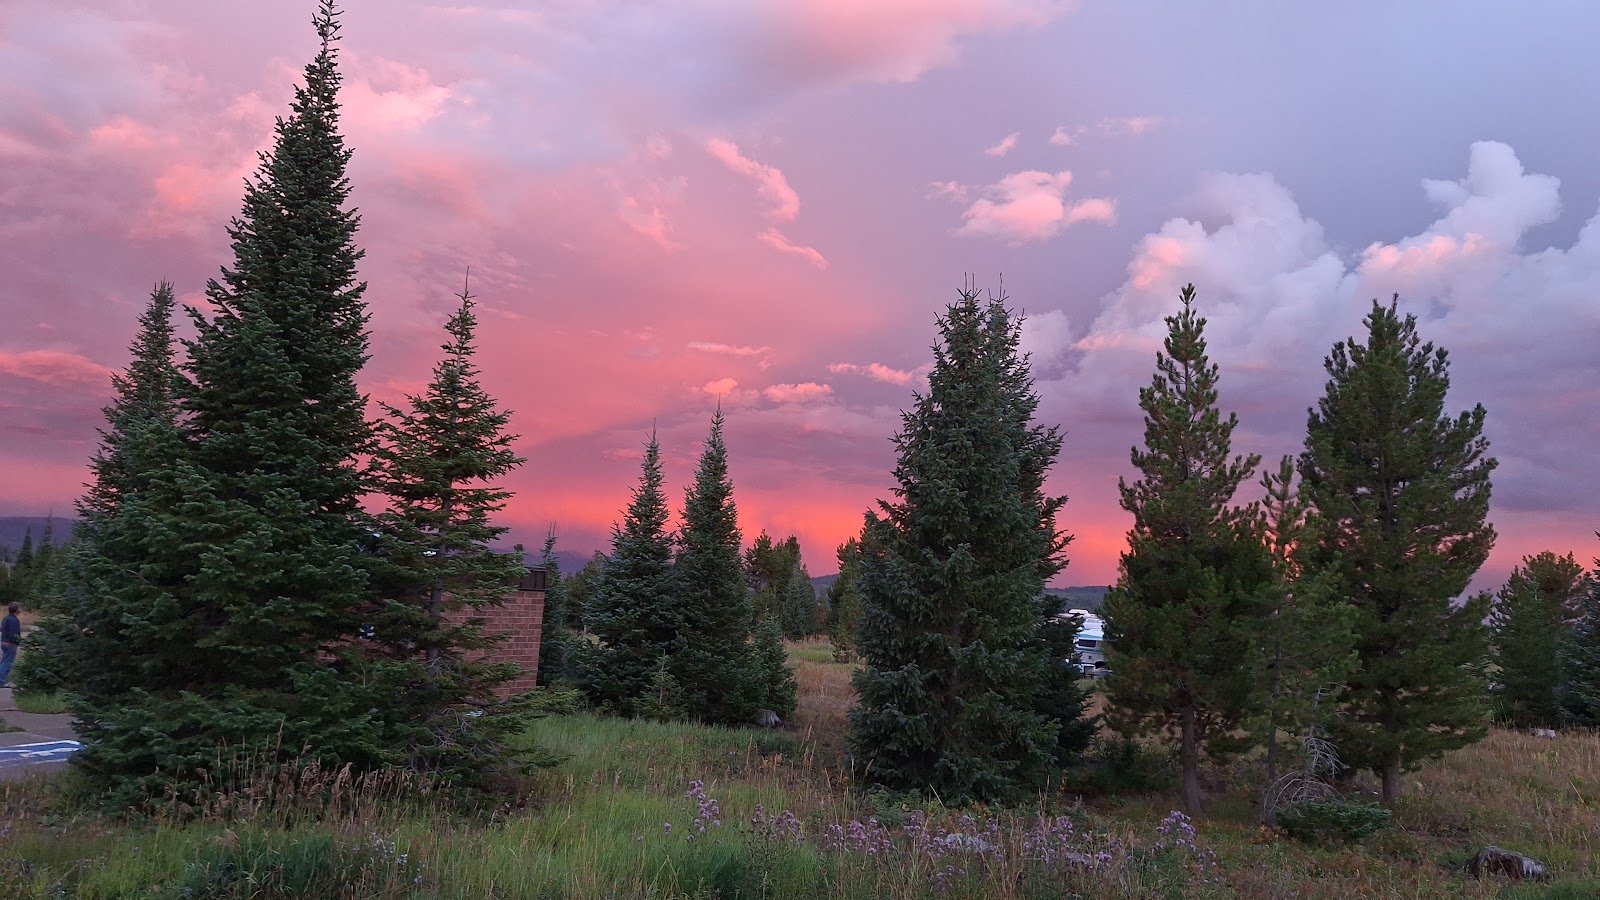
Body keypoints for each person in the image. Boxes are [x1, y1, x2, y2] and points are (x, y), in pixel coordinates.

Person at [0, 602, 20, 688]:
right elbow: (14, 634)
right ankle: (2, 681)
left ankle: (2, 679)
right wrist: (17, 641)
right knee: (8, 663)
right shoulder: (13, 620)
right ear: (17, 609)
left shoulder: (6, 618)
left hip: (4, 642)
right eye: (20, 607)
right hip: (10, 644)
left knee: (4, 662)